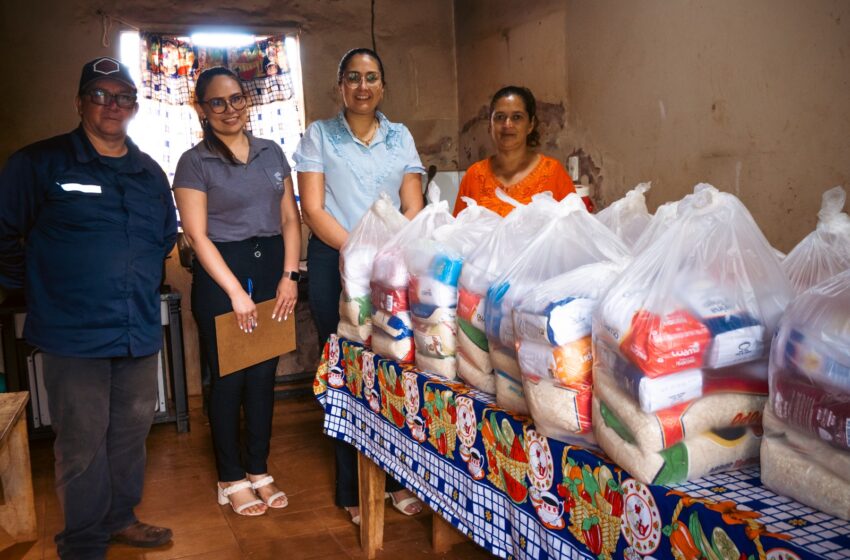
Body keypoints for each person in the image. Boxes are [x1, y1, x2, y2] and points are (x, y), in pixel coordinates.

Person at [0, 57, 176, 558]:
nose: (111, 105)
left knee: (130, 432)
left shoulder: (148, 173)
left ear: (134, 107)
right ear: (79, 102)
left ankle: (120, 517)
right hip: (72, 336)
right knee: (81, 440)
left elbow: (163, 237)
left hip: (136, 329)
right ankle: (81, 540)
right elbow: (4, 234)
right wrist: (35, 288)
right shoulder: (39, 164)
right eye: (100, 94)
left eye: (122, 96)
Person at [294, 47, 425, 525]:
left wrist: (386, 252)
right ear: (340, 86)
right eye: (353, 77)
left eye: (372, 77)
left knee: (395, 361)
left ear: (383, 86)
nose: (363, 86)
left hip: (392, 263)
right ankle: (352, 486)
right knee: (349, 367)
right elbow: (314, 208)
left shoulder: (401, 136)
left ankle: (396, 479)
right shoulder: (320, 136)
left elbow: (413, 202)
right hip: (338, 259)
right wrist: (359, 250)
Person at [173, 67, 301, 517]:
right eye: (218, 102)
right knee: (229, 378)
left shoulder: (271, 152)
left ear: (248, 100)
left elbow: (290, 219)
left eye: (236, 98)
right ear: (202, 109)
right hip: (222, 276)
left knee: (263, 375)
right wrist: (234, 292)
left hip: (272, 273)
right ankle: (230, 477)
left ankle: (258, 469)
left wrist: (290, 276)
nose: (230, 109)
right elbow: (197, 235)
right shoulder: (194, 161)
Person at [453, 85, 576, 216]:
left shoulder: (553, 173)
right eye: (500, 117)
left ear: (530, 125)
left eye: (517, 117)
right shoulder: (474, 176)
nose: (507, 125)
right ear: (490, 124)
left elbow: (575, 230)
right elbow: (458, 233)